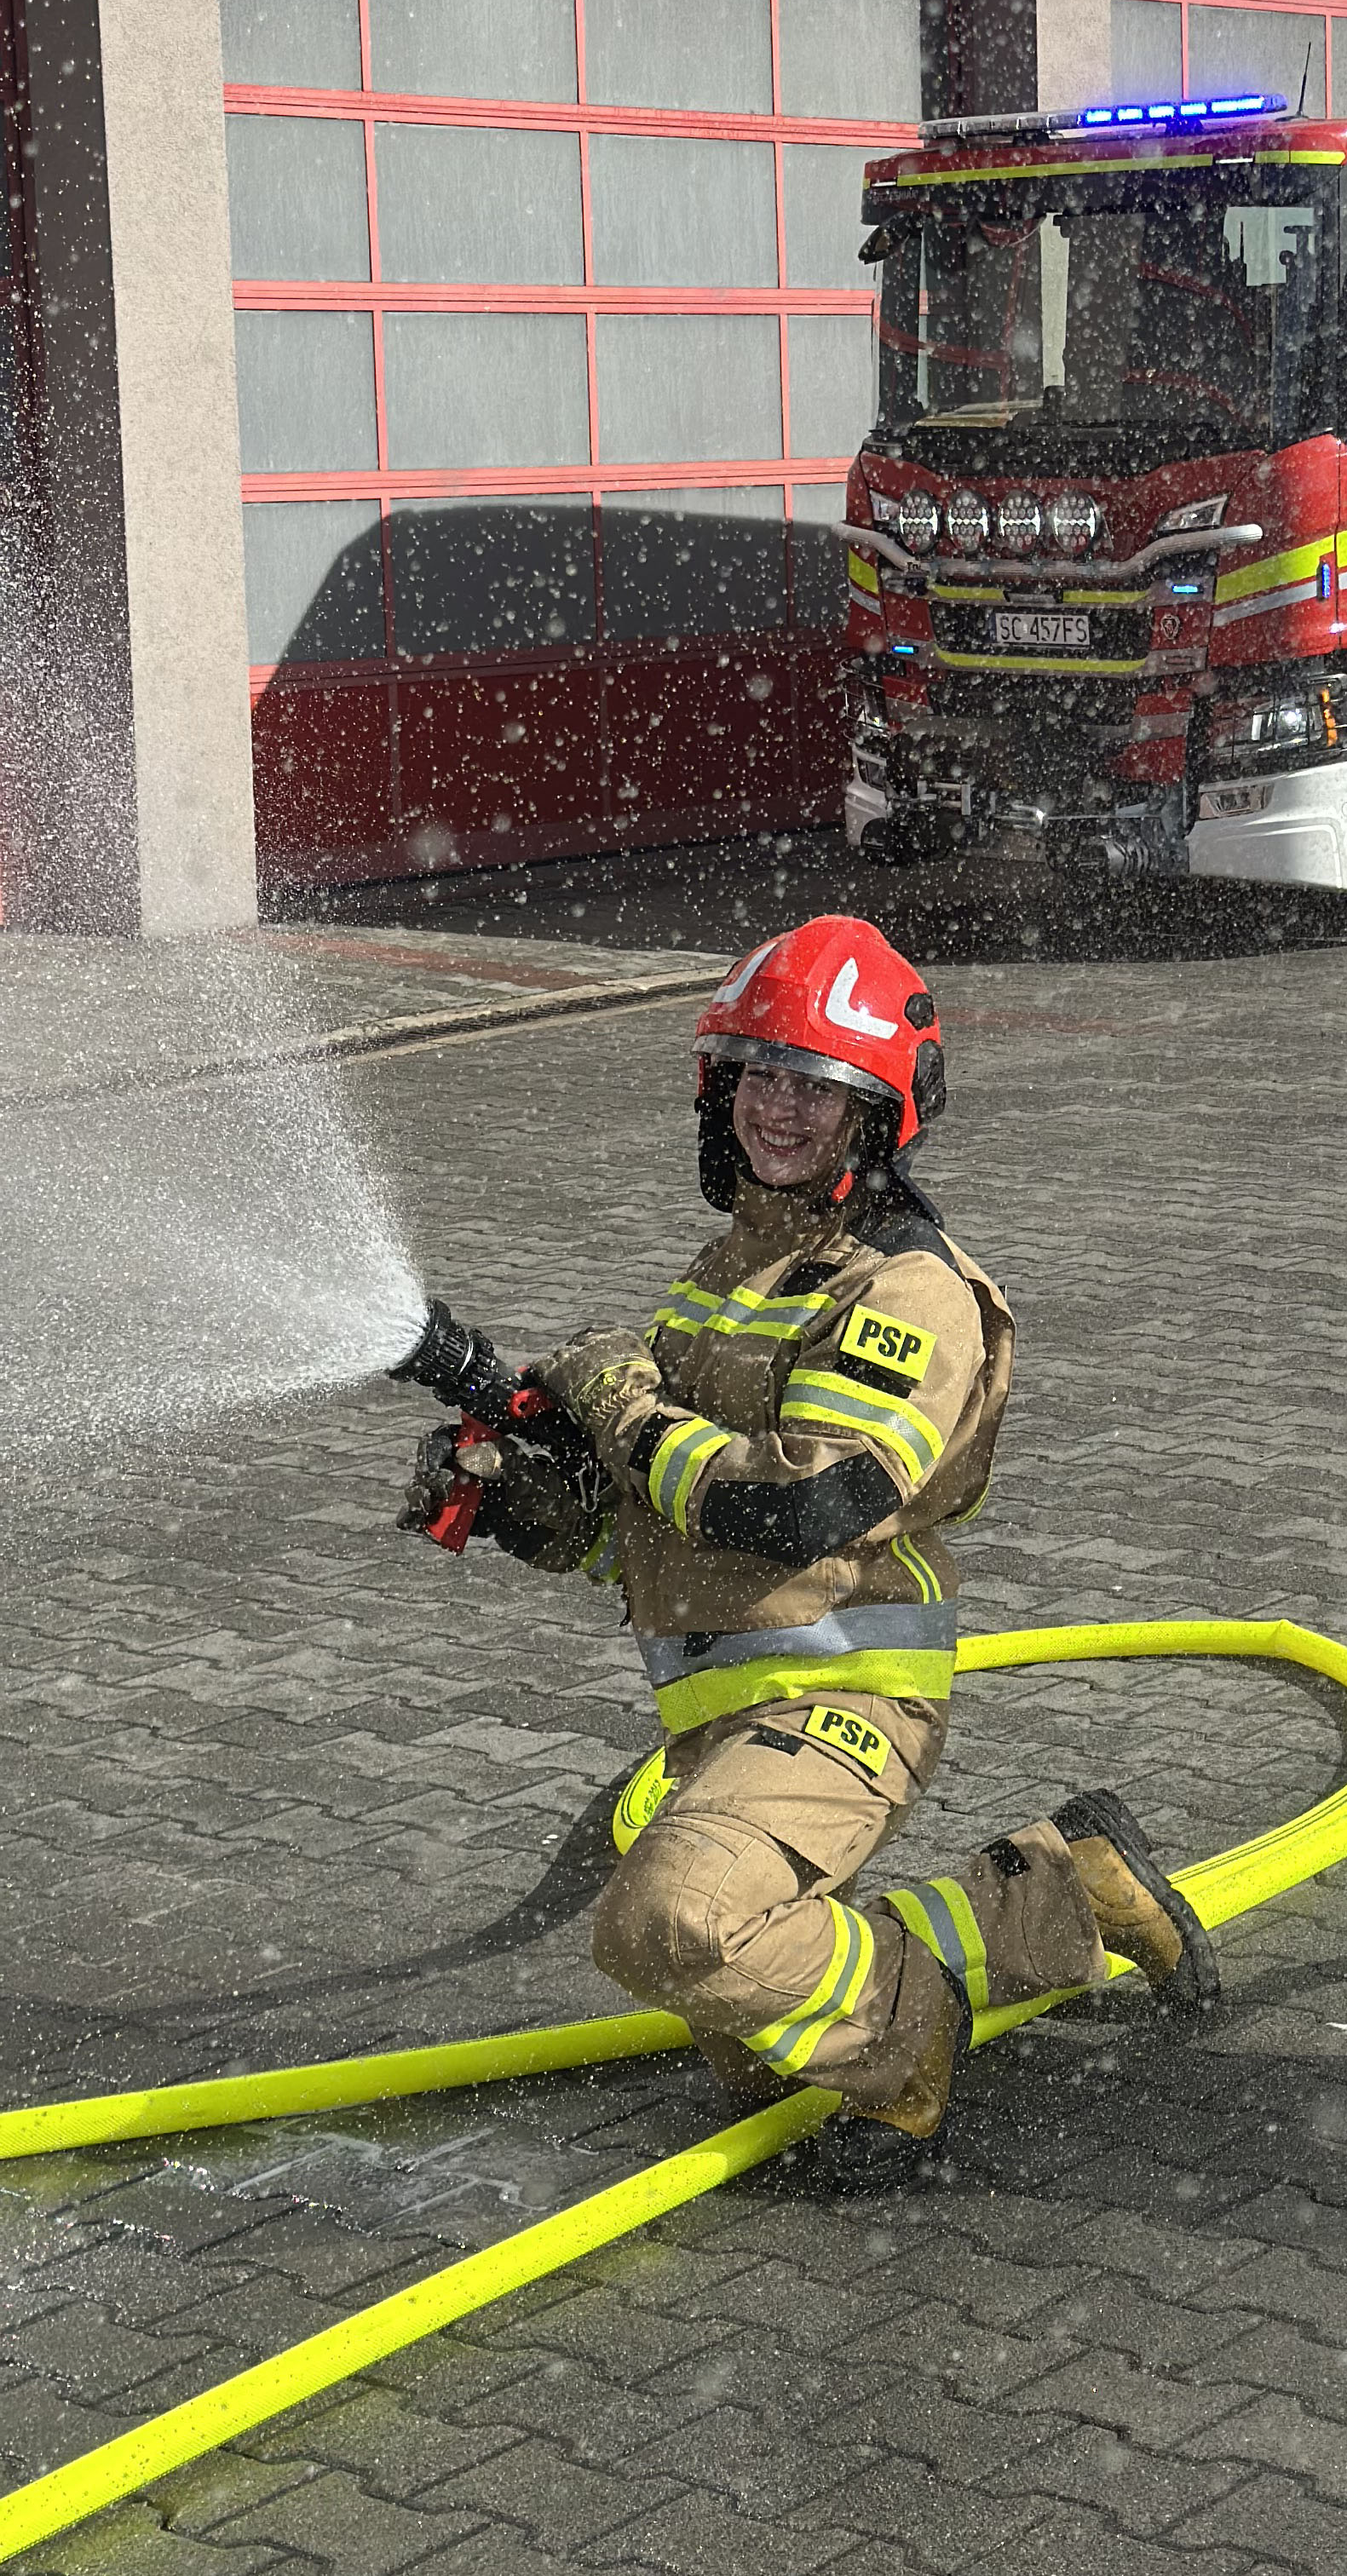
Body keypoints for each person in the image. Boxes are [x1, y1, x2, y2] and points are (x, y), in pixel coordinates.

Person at [402, 913, 1215, 2152]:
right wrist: (530, 1503)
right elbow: (661, 1529)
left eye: (818, 1086)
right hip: (722, 1710)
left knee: (676, 1925)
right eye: (758, 1075)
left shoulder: (904, 1291)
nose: (778, 1108)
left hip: (845, 1691)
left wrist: (621, 1406)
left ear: (876, 1115)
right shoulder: (730, 1273)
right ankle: (1064, 1888)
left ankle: (907, 2054)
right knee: (747, 2032)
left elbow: (800, 1509)